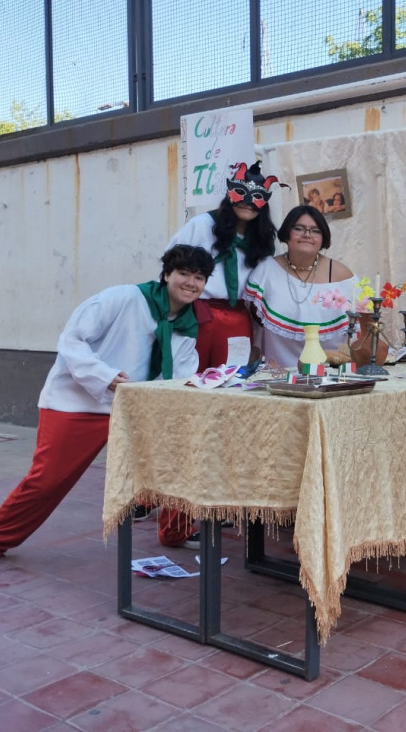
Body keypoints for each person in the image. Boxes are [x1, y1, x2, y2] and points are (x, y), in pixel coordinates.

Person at [0, 245, 215, 569]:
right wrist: (104, 376)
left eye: (199, 277)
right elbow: (71, 340)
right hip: (79, 401)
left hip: (138, 406)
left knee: (185, 452)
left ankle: (176, 530)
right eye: (184, 274)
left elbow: (181, 374)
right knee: (47, 481)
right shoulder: (124, 299)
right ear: (166, 275)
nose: (191, 283)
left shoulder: (188, 323)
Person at [153, 160, 285, 547]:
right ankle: (174, 523)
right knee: (192, 410)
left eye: (258, 195)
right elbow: (173, 266)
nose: (248, 201)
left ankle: (215, 508)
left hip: (239, 324)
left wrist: (258, 338)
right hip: (202, 319)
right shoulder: (202, 226)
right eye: (241, 192)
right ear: (229, 191)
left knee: (230, 411)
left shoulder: (262, 241)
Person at [243, 205, 355, 367]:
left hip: (330, 371)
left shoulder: (341, 274)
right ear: (287, 233)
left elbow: (354, 331)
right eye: (299, 228)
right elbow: (253, 319)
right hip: (277, 371)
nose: (307, 235)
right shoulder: (266, 271)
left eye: (316, 231)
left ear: (323, 238)